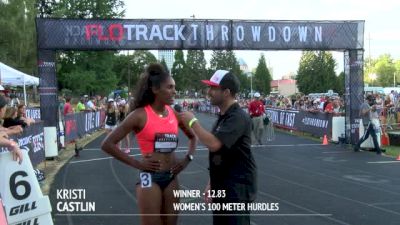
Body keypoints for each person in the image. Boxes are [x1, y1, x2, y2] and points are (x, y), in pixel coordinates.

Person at [101, 63, 197, 225]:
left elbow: (193, 137)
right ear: (155, 90)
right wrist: (138, 164)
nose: (174, 91)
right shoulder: (139, 115)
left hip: (171, 177)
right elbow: (107, 144)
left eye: (175, 87)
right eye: (170, 87)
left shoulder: (174, 113)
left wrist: (188, 159)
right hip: (149, 178)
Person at [179, 70, 257, 225]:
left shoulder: (238, 117)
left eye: (213, 88)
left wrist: (192, 122)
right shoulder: (224, 117)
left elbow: (214, 144)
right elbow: (220, 154)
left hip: (237, 189)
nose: (209, 92)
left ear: (226, 92)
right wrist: (212, 183)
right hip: (224, 185)